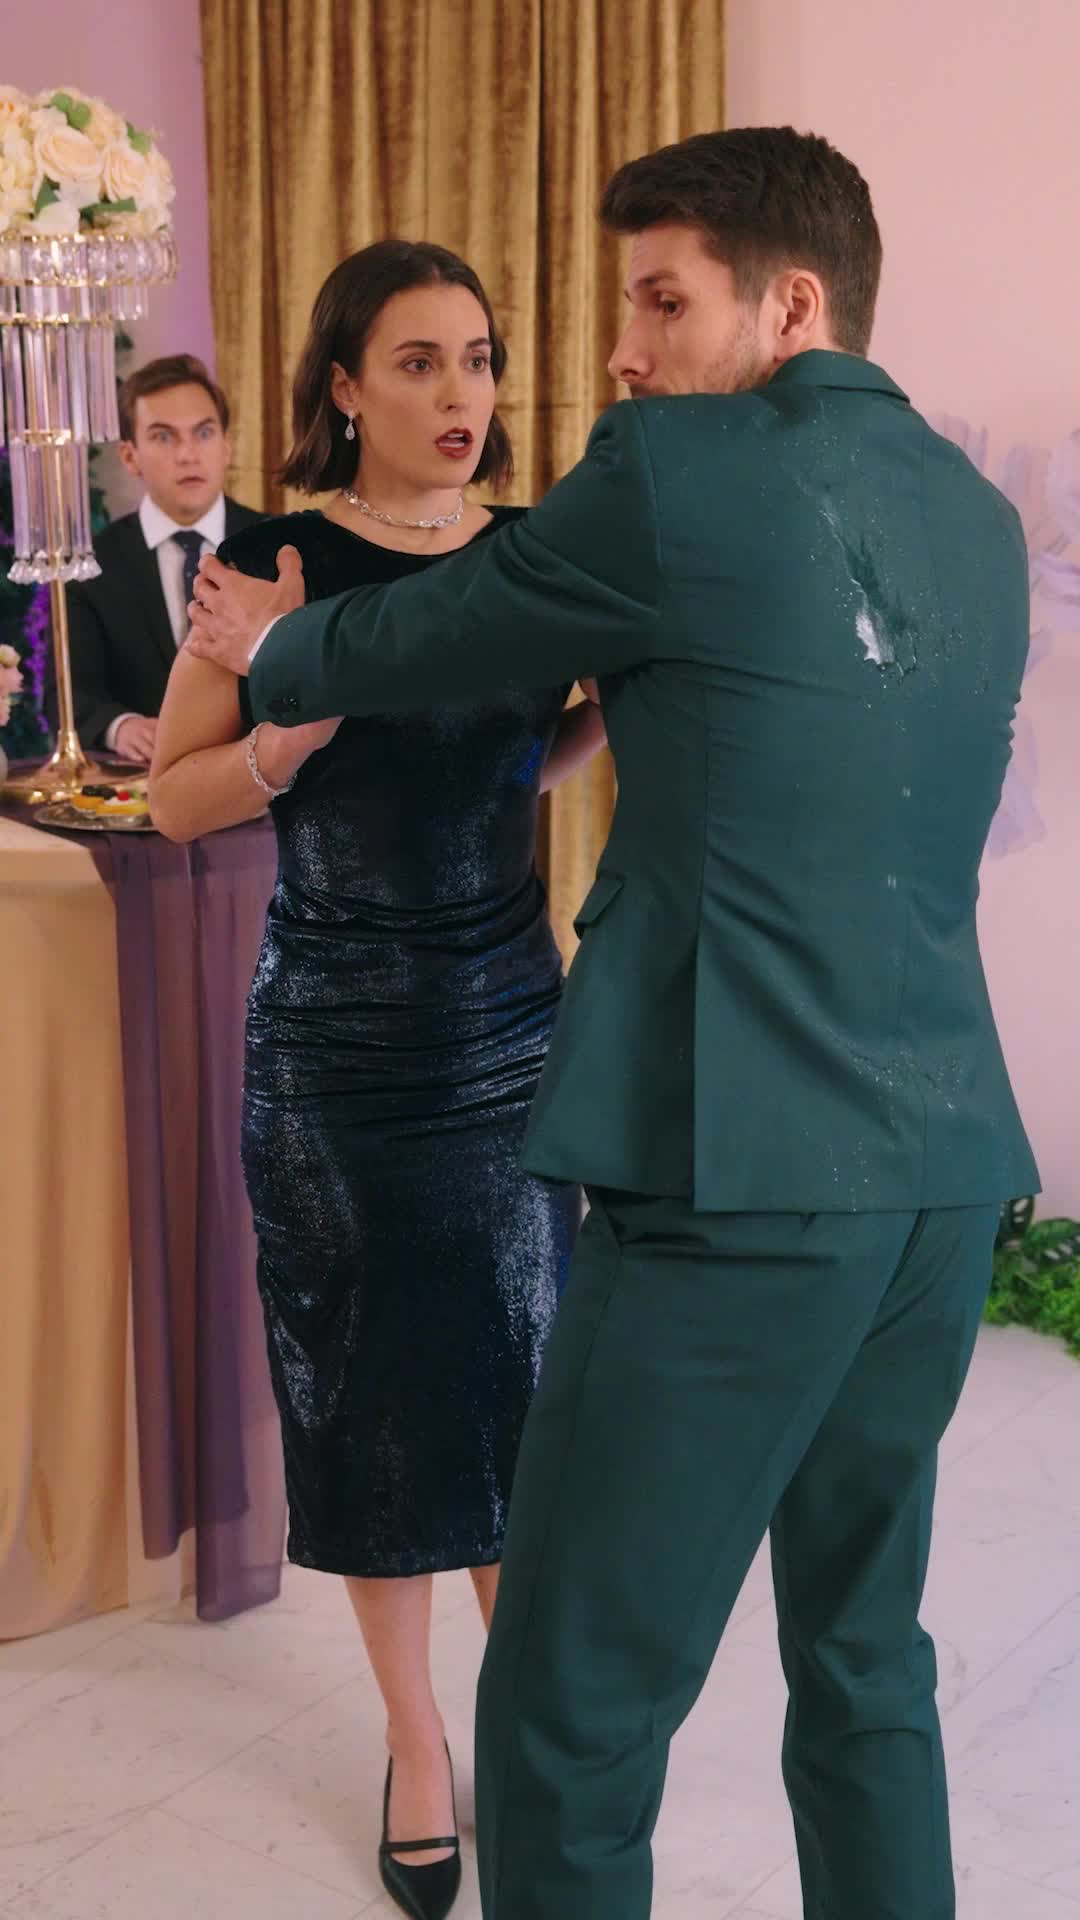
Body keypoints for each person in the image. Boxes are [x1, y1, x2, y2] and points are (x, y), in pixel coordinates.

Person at [185, 129, 1039, 1920]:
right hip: (943, 1177)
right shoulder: (970, 509)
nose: (623, 352)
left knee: (566, 1718)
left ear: (789, 304)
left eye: (661, 302)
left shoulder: (675, 473)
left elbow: (448, 623)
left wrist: (278, 644)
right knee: (867, 1665)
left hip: (738, 1175)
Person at [150, 240, 605, 1920]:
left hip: (510, 1034)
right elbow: (179, 799)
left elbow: (516, 751)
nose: (460, 392)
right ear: (345, 388)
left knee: (521, 1392)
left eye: (477, 358)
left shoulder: (535, 555)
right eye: (417, 362)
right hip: (337, 1058)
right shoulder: (275, 563)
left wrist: (591, 727)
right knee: (376, 1406)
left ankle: (532, 1735)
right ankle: (419, 1740)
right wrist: (288, 727)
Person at [44, 354, 262, 764]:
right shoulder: (89, 564)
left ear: (226, 446)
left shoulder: (278, 547)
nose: (188, 454)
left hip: (262, 778)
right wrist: (120, 726)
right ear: (130, 457)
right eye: (164, 437)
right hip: (143, 781)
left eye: (203, 433)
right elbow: (67, 695)